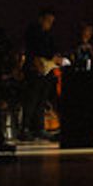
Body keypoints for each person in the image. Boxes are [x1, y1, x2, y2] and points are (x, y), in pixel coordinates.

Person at [22, 8, 65, 139]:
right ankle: (25, 128)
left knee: (42, 100)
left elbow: (53, 48)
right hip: (35, 69)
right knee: (32, 99)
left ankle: (39, 128)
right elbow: (36, 49)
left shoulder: (48, 35)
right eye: (47, 21)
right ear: (41, 19)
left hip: (47, 70)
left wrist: (56, 56)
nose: (49, 24)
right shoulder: (33, 32)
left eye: (51, 22)